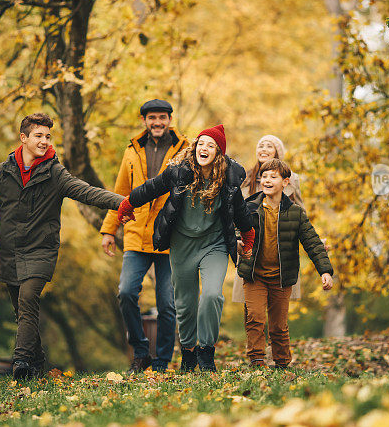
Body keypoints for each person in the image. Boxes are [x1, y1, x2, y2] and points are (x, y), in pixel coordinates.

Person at [0, 113, 124, 381]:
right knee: (23, 312)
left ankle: (20, 363)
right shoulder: (3, 171)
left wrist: (121, 202)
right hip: (10, 252)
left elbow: (86, 191)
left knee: (28, 298)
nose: (44, 141)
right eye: (38, 136)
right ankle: (38, 361)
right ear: (24, 138)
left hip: (41, 251)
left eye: (47, 136)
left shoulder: (55, 173)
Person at [116, 125, 256, 372]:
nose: (204, 148)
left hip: (214, 245)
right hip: (182, 244)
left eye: (211, 145)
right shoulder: (179, 172)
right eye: (201, 143)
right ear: (195, 147)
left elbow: (241, 211)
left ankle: (207, 352)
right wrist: (129, 203)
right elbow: (152, 187)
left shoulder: (230, 177)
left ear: (219, 153)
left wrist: (248, 237)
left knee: (212, 295)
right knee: (185, 303)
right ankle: (189, 352)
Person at [100, 99, 188, 374]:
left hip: (170, 237)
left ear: (170, 120)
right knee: (126, 292)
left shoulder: (186, 150)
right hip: (136, 233)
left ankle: (161, 360)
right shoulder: (132, 150)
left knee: (167, 304)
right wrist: (109, 229)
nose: (158, 122)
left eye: (162, 117)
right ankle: (140, 352)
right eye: (152, 118)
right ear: (144, 121)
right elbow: (121, 191)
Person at [237, 158, 334, 368]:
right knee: (255, 317)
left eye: (273, 177)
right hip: (254, 274)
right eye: (264, 176)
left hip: (282, 277)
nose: (267, 180)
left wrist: (325, 271)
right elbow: (237, 229)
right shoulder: (249, 207)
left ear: (286, 182)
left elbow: (312, 242)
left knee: (278, 325)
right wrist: (237, 243)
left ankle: (282, 363)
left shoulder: (296, 213)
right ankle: (257, 360)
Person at [234, 135, 304, 303]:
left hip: (279, 249)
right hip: (250, 247)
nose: (263, 149)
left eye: (269, 146)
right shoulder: (245, 178)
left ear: (277, 153)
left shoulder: (291, 180)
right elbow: (235, 213)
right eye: (261, 146)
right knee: (251, 306)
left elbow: (301, 213)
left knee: (278, 304)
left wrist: (311, 237)